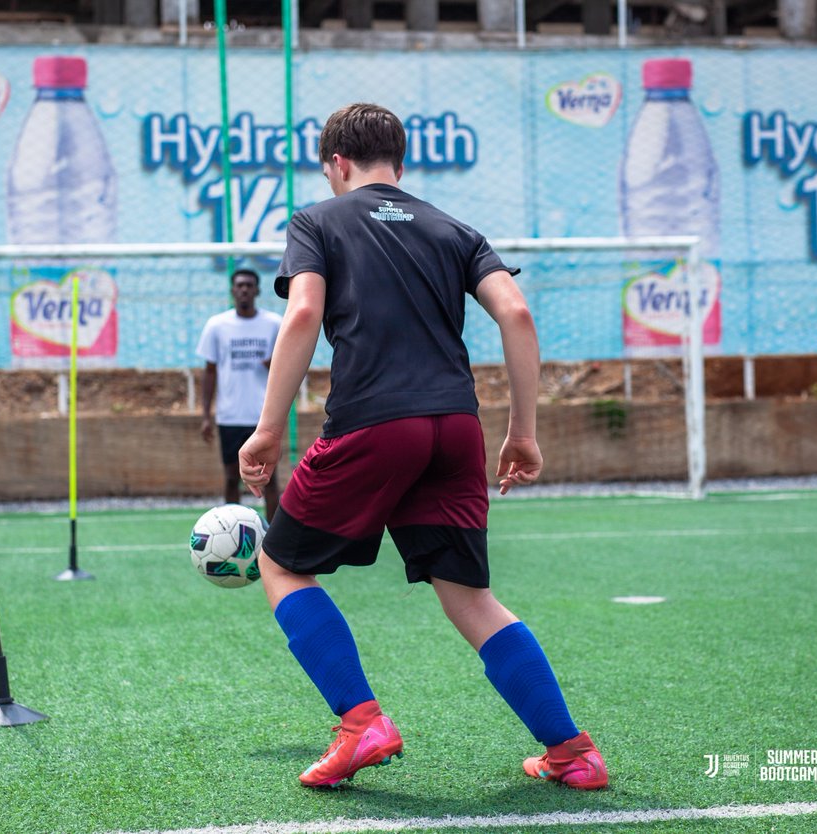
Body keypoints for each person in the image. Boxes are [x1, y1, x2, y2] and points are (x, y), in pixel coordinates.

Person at [238, 104, 607, 790]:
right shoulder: (455, 229)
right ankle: (573, 752)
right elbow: (517, 315)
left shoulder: (317, 220)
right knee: (469, 595)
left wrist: (265, 429)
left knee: (280, 563)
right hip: (456, 427)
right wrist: (522, 433)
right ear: (399, 168)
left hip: (374, 421)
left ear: (336, 165)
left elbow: (304, 313)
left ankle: (360, 723)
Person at [196, 268, 283, 522]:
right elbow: (210, 371)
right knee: (232, 476)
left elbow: (288, 363)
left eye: (249, 285)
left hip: (264, 415)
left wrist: (275, 363)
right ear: (233, 290)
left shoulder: (274, 324)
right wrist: (205, 415)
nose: (244, 289)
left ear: (257, 290)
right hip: (230, 415)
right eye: (239, 285)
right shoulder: (217, 325)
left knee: (269, 478)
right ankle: (231, 532)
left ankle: (273, 538)